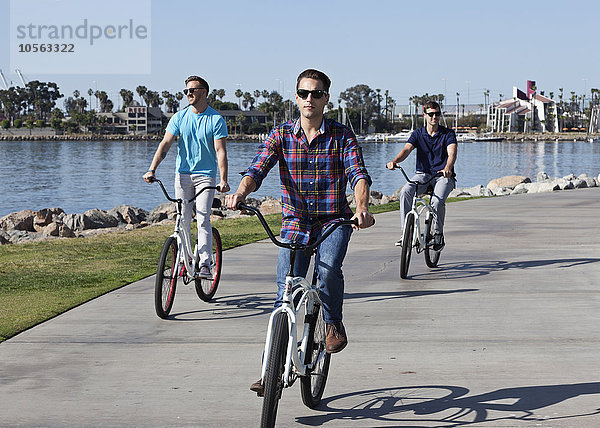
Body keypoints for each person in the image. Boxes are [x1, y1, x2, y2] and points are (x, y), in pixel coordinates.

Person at [225, 69, 374, 394]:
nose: (310, 99)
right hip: (294, 222)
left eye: (316, 93)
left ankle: (333, 323)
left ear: (326, 99)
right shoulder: (281, 135)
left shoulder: (341, 135)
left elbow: (358, 174)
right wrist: (241, 192)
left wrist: (361, 207)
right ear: (296, 97)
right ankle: (270, 371)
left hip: (334, 219)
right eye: (304, 93)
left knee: (327, 269)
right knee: (284, 296)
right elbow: (257, 168)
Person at [143, 75, 229, 278]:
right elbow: (165, 144)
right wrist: (152, 169)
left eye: (193, 90)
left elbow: (220, 152)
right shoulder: (180, 117)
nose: (189, 93)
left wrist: (223, 180)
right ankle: (184, 259)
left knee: (202, 219)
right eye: (186, 90)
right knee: (181, 219)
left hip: (206, 177)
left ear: (204, 92)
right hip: (182, 175)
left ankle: (206, 263)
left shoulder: (215, 119)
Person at [386, 100, 457, 251]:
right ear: (424, 115)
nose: (434, 117)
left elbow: (452, 154)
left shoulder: (448, 134)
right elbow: (406, 150)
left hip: (443, 176)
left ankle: (438, 234)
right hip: (423, 175)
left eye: (437, 114)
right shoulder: (418, 134)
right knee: (406, 192)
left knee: (437, 201)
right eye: (431, 114)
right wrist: (394, 161)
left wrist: (447, 168)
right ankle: (406, 232)